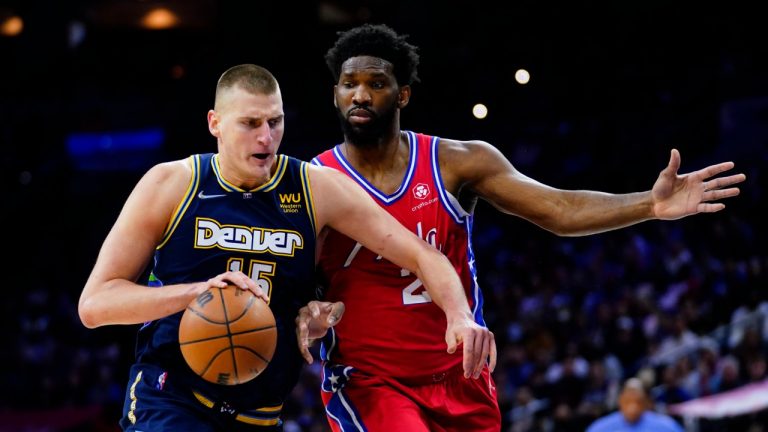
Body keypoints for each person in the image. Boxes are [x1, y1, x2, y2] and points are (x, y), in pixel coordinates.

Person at [299, 23, 745, 431]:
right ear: (335, 93)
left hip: (461, 375)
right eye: (349, 84)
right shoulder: (313, 182)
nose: (360, 95)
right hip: (372, 381)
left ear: (403, 95)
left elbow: (558, 209)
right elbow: (294, 278)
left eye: (376, 83)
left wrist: (650, 203)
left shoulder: (456, 162)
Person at [77, 63, 494, 432]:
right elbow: (96, 304)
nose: (266, 137)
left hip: (262, 411)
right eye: (250, 123)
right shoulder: (172, 184)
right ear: (215, 123)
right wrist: (196, 294)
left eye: (275, 122)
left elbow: (422, 253)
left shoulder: (314, 188)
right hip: (171, 398)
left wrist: (460, 316)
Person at [586, 378, 684, 432]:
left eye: (637, 400)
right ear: (620, 401)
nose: (633, 406)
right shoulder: (600, 427)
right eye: (629, 400)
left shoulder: (666, 426)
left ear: (645, 402)